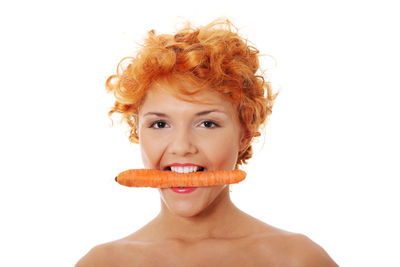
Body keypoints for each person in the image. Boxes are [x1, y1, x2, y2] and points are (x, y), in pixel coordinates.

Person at [76, 18, 338, 266]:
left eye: (207, 123)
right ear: (137, 131)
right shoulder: (103, 262)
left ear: (245, 132)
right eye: (160, 124)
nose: (181, 146)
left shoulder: (297, 259)